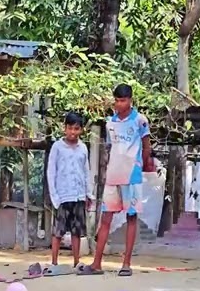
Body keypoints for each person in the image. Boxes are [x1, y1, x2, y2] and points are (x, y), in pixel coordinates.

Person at [81, 84, 153, 277]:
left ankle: (126, 264)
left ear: (130, 100)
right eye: (117, 100)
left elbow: (146, 146)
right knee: (106, 218)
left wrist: (143, 166)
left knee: (131, 217)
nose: (119, 104)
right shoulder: (110, 122)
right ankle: (96, 264)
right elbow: (111, 148)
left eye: (123, 100)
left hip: (132, 175)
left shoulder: (140, 120)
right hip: (113, 175)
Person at [46, 111, 92, 272]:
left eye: (76, 129)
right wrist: (54, 196)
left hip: (78, 195)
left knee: (76, 230)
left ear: (81, 130)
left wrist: (89, 193)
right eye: (70, 128)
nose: (73, 132)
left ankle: (77, 261)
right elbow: (51, 171)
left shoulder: (83, 148)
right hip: (62, 195)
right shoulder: (57, 147)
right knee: (58, 230)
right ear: (64, 128)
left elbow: (86, 171)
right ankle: (54, 262)